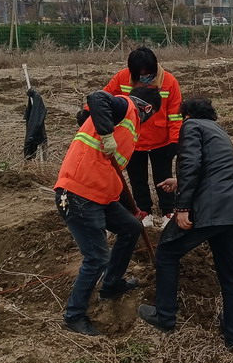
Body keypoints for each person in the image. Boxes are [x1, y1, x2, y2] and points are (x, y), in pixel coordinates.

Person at [138, 97, 233, 351]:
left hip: (209, 209)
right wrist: (179, 181)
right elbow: (214, 170)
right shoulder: (218, 131)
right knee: (229, 275)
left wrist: (181, 208)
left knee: (166, 252)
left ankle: (165, 316)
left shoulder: (191, 126)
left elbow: (191, 164)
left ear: (187, 115)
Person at [55, 86, 162, 336]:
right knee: (96, 258)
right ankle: (74, 316)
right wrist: (106, 134)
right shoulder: (126, 107)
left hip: (99, 195)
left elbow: (112, 173)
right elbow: (97, 97)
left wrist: (131, 208)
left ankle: (111, 285)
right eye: (152, 115)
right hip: (79, 193)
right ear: (147, 108)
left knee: (131, 227)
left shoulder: (128, 126)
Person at [101, 47, 183, 229]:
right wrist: (87, 112)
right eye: (140, 74)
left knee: (164, 177)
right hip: (133, 140)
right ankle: (144, 211)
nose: (144, 76)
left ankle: (168, 211)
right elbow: (104, 97)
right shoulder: (122, 78)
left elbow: (175, 115)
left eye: (147, 73)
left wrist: (175, 141)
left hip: (161, 141)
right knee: (137, 178)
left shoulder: (169, 81)